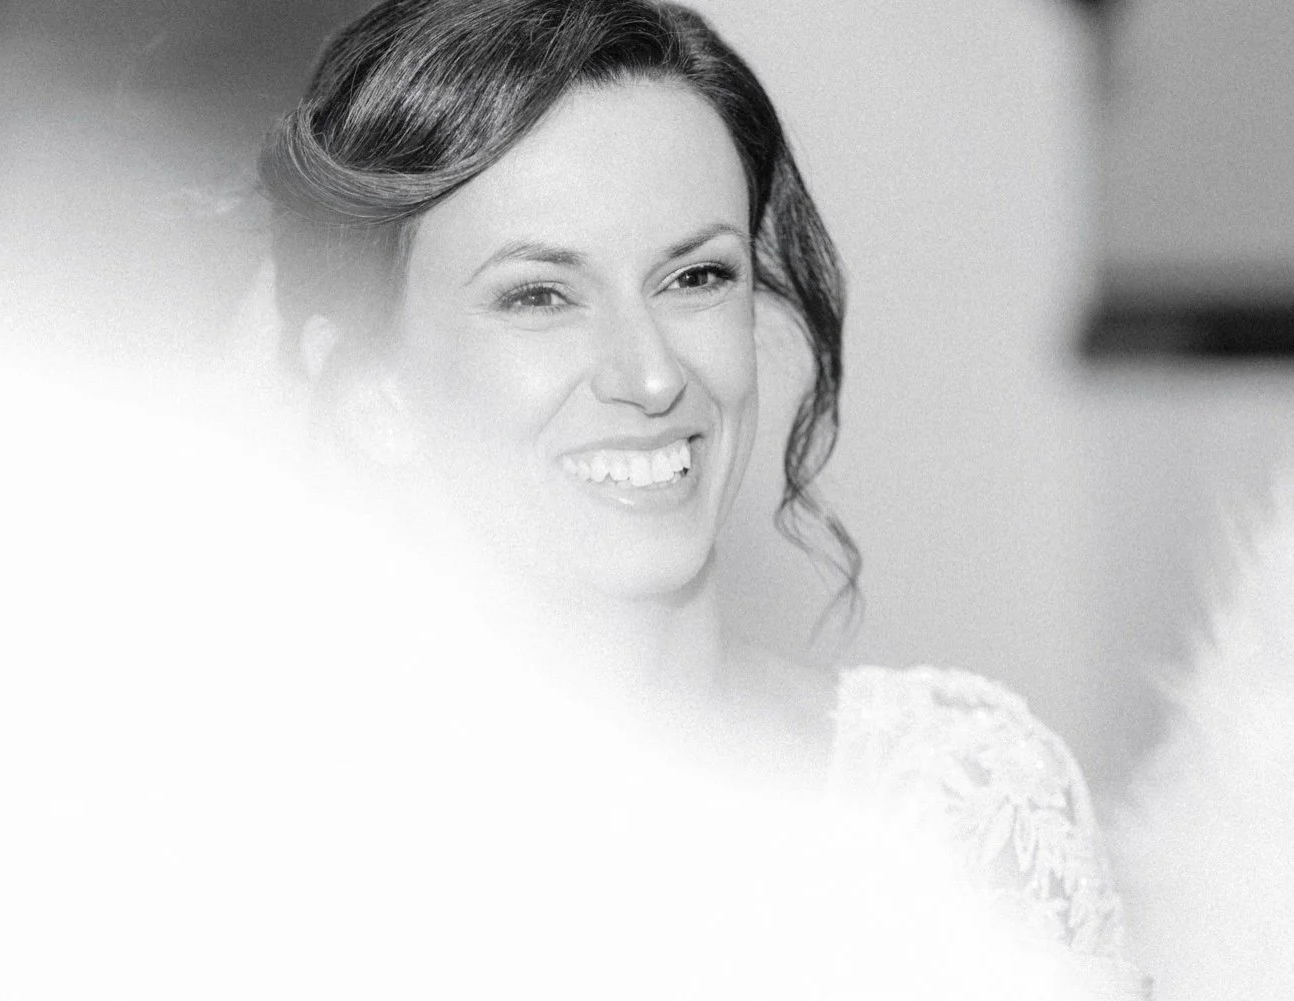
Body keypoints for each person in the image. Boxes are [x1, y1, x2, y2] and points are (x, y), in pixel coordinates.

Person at [258, 0, 1150, 994]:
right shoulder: (263, 858)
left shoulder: (967, 807)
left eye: (694, 276)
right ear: (371, 390)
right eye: (540, 295)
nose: (652, 377)